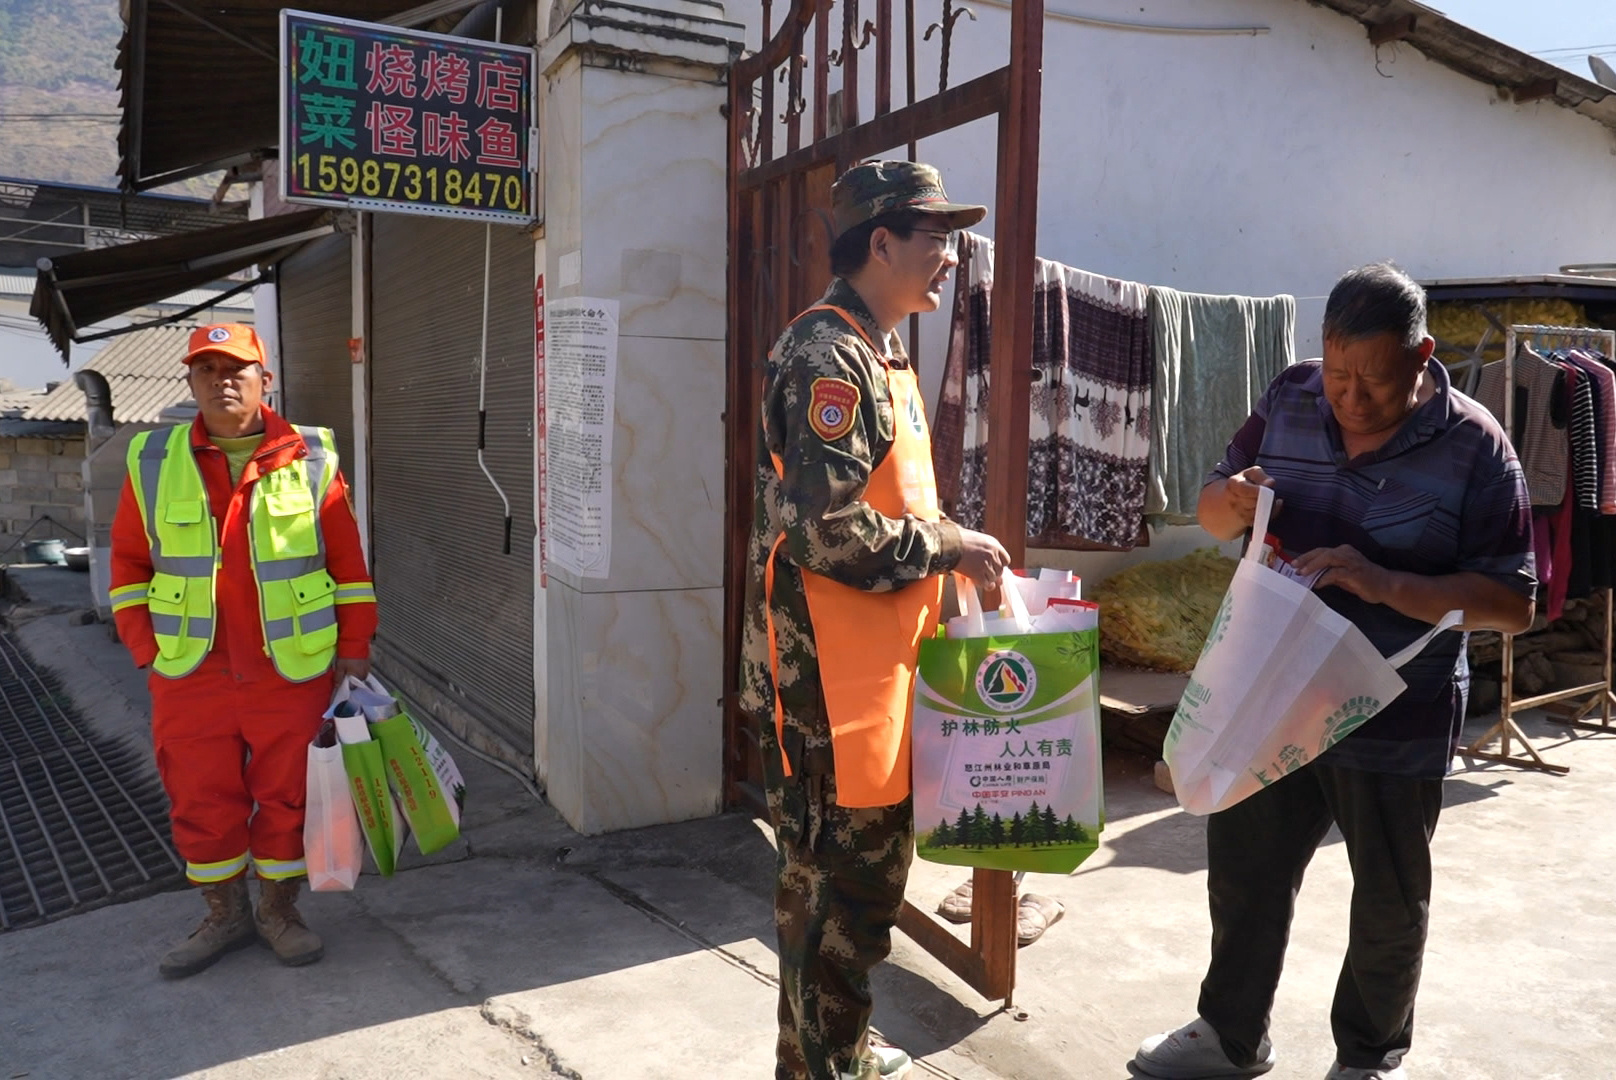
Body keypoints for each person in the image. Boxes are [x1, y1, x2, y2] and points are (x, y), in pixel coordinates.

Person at [1133, 264, 1536, 1080]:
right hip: (1270, 691)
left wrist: (1387, 584)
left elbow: (1512, 602)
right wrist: (1230, 501)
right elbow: (1213, 505)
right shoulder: (1291, 395)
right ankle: (1230, 1034)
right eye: (1339, 373)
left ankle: (1369, 1056)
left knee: (1388, 894)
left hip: (1394, 705)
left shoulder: (1476, 447)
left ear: (1423, 356)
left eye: (1375, 381)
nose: (1351, 397)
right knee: (1245, 869)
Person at [739, 160, 1012, 1080]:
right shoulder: (829, 354)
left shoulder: (877, 350)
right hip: (824, 690)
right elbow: (826, 529)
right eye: (937, 237)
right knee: (835, 907)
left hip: (870, 678)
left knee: (850, 901)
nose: (952, 255)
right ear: (882, 243)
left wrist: (947, 545)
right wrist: (947, 545)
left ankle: (830, 1057)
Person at [110, 323, 377, 979]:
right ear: (191, 380)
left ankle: (278, 911)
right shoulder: (151, 459)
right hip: (191, 671)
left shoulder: (312, 458)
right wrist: (146, 650)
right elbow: (127, 565)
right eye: (206, 369)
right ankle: (223, 915)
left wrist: (354, 645)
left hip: (288, 668)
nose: (221, 381)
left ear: (265, 380)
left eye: (236, 369)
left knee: (289, 796)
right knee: (200, 798)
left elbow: (348, 566)